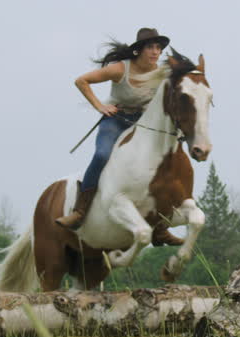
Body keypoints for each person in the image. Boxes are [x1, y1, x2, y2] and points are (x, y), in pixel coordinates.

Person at [55, 27, 183, 246]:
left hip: (143, 124)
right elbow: (81, 81)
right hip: (116, 120)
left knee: (166, 161)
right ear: (139, 51)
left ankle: (160, 226)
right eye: (151, 47)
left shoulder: (163, 72)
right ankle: (80, 210)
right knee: (102, 154)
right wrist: (100, 106)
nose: (156, 52)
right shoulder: (119, 69)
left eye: (159, 48)